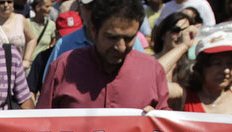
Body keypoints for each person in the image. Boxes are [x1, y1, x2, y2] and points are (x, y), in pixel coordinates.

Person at [38, 0, 168, 110]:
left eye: (129, 38)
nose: (121, 47)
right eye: (112, 38)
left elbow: (167, 124)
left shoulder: (152, 70)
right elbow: (43, 123)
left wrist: (156, 119)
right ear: (93, 31)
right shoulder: (63, 68)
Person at [181, 27, 232, 115]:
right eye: (217, 64)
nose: (226, 71)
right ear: (201, 66)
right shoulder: (184, 95)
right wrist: (184, 46)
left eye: (230, 64)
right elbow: (160, 81)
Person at [150, 10, 196, 108]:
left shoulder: (190, 65)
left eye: (186, 32)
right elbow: (151, 77)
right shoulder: (148, 61)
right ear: (163, 34)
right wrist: (184, 45)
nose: (181, 36)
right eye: (176, 30)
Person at [0, 0, 36, 65]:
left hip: (18, 66)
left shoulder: (20, 19)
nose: (6, 5)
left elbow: (32, 39)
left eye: (9, 2)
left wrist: (26, 59)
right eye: (2, 2)